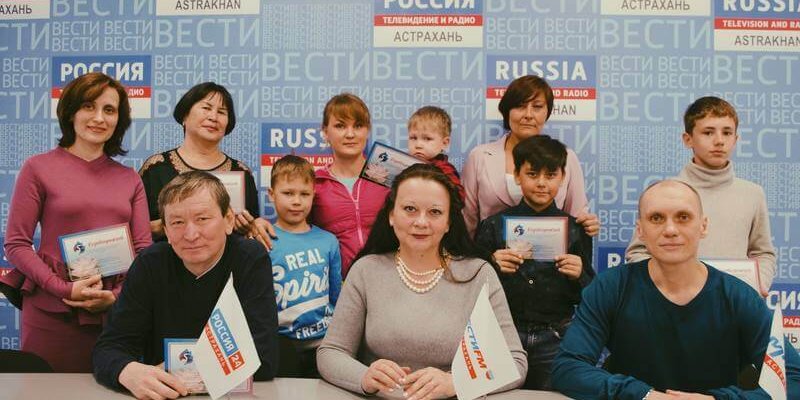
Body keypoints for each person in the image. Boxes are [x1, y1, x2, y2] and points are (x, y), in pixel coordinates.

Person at [551, 180, 800, 399]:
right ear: (640, 230)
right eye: (656, 218)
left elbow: (793, 378)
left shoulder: (739, 297)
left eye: (683, 217)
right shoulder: (610, 287)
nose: (670, 230)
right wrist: (644, 395)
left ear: (703, 226)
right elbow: (568, 367)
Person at [317, 164, 527, 398]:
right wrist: (363, 376)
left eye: (435, 212)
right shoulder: (366, 270)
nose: (421, 222)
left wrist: (458, 382)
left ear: (448, 222)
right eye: (410, 209)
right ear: (391, 215)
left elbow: (514, 363)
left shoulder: (478, 274)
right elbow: (331, 352)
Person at [0, 72, 151, 372]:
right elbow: (16, 244)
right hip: (50, 311)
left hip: (113, 314)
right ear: (71, 112)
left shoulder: (130, 178)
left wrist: (114, 296)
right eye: (88, 106)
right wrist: (63, 289)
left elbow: (144, 250)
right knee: (42, 388)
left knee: (109, 387)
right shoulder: (38, 168)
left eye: (109, 110)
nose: (99, 118)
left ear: (119, 120)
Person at [93, 171, 279, 398]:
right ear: (166, 231)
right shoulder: (150, 263)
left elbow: (263, 356)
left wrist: (185, 371)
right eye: (177, 222)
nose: (190, 234)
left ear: (229, 220)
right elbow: (109, 348)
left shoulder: (249, 259)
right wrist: (127, 371)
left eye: (202, 219)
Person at [475, 135, 594, 390]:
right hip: (503, 333)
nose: (541, 183)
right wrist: (491, 264)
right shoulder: (492, 226)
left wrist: (580, 275)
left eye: (550, 175)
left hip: (555, 336)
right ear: (517, 176)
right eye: (532, 174)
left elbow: (589, 294)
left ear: (563, 177)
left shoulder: (576, 229)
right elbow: (472, 287)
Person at [625, 96, 776, 295]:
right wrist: (665, 288)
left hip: (734, 302)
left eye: (727, 133)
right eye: (708, 132)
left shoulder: (752, 194)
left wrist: (756, 285)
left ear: (736, 139)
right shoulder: (665, 193)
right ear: (688, 139)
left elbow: (763, 253)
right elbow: (638, 252)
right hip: (675, 303)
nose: (719, 141)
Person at [461, 75, 598, 239]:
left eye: (537, 107)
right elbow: (467, 221)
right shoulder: (480, 157)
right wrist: (475, 255)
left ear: (547, 112)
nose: (528, 114)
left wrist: (587, 225)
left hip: (551, 253)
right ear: (507, 111)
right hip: (490, 253)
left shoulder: (566, 158)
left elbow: (576, 218)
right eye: (520, 106)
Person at [138, 82, 273, 248]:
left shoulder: (241, 172)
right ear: (185, 115)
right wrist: (172, 222)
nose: (213, 117)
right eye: (206, 108)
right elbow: (137, 232)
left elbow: (250, 231)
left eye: (221, 112)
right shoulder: (156, 168)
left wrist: (249, 226)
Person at [268, 155, 342, 378]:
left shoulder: (328, 241)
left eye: (304, 194)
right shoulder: (262, 240)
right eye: (288, 193)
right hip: (280, 346)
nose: (297, 201)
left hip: (322, 346)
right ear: (271, 194)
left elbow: (337, 297)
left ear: (313, 195)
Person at [311, 93, 389, 278]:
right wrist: (258, 224)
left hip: (387, 282)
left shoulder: (388, 177)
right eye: (340, 126)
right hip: (337, 285)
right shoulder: (314, 183)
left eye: (358, 126)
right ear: (325, 132)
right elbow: (293, 230)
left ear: (367, 131)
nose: (350, 134)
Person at [406, 105, 465, 200]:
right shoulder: (404, 165)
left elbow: (459, 197)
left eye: (427, 139)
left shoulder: (445, 170)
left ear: (444, 143)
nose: (418, 145)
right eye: (413, 138)